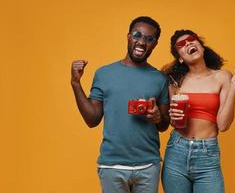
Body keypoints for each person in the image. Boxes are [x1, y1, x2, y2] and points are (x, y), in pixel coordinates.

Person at [71, 16, 170, 193]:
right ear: (128, 37)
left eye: (149, 39)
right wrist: (76, 84)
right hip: (112, 165)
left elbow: (163, 125)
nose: (141, 42)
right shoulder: (104, 73)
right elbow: (92, 119)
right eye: (137, 35)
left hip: (148, 165)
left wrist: (157, 117)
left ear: (154, 44)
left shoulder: (160, 78)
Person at [161, 29, 235, 193]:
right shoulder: (175, 81)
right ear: (180, 58)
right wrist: (173, 117)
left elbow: (223, 125)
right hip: (176, 151)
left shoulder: (222, 77)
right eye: (181, 44)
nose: (188, 43)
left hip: (207, 154)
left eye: (192, 39)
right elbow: (175, 122)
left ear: (201, 46)